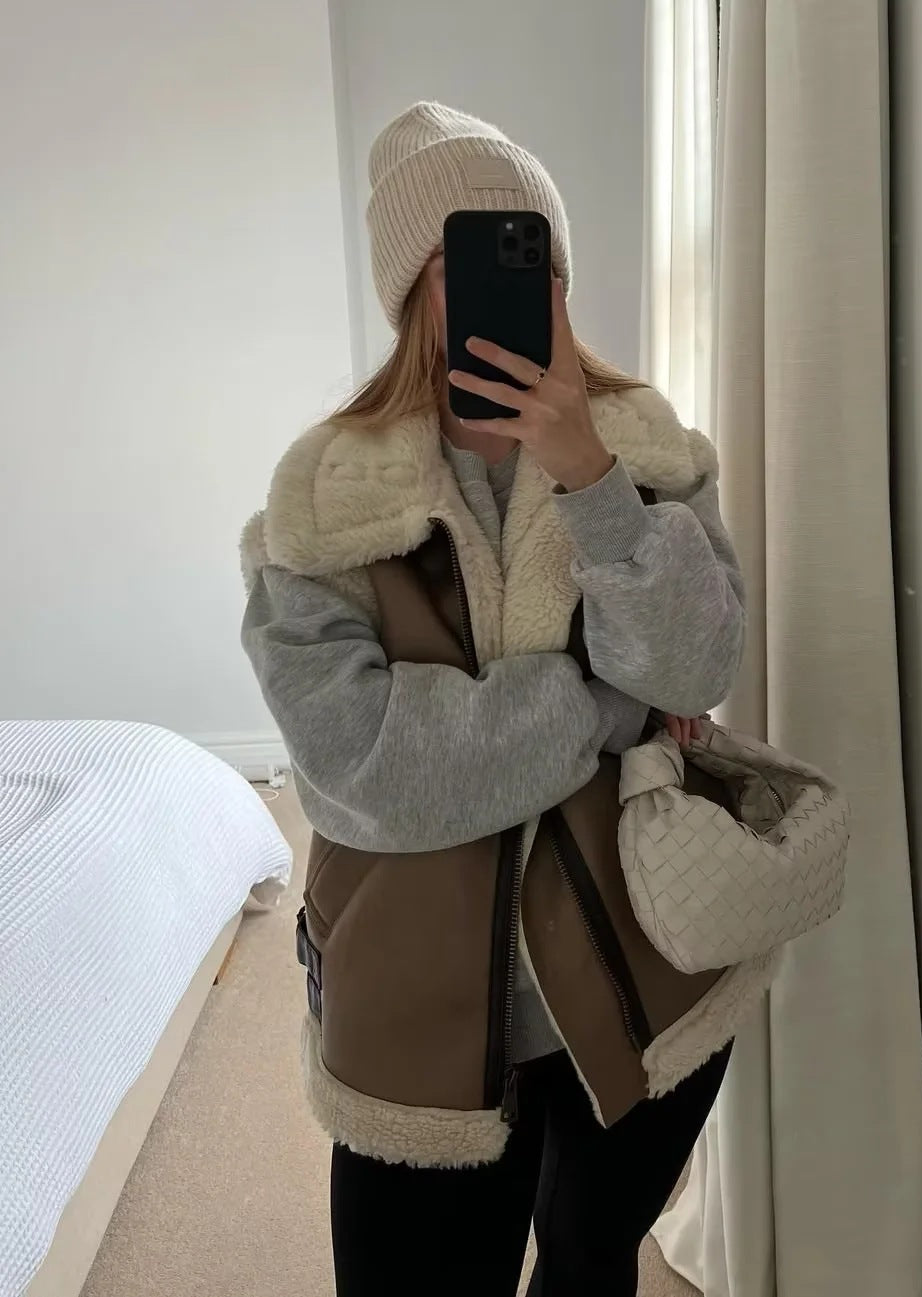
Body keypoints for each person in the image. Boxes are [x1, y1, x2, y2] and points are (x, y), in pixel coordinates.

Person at [240, 102, 770, 1296]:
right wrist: (608, 707)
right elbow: (368, 769)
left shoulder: (646, 448)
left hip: (646, 973)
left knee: (591, 1264)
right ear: (410, 292)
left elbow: (697, 669)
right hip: (419, 1009)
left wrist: (592, 478)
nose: (502, 278)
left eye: (528, 248)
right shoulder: (322, 493)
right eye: (461, 254)